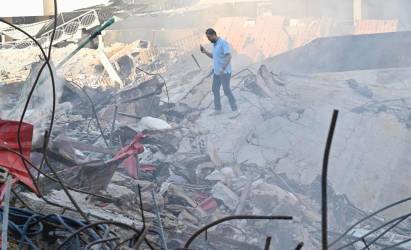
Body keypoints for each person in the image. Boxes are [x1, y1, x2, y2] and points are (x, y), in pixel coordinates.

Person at [200, 28, 239, 118]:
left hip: (224, 72)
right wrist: (205, 52)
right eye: (207, 38)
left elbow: (229, 56)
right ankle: (218, 109)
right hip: (217, 73)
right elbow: (214, 57)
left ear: (214, 34)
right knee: (215, 90)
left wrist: (223, 68)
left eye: (209, 37)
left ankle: (236, 110)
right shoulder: (215, 45)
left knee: (226, 90)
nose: (208, 39)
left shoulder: (223, 43)